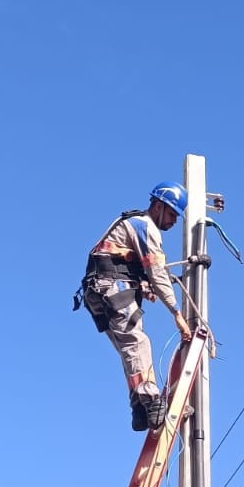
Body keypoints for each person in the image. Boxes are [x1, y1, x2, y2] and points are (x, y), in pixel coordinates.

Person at [78, 183, 192, 431]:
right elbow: (157, 272)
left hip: (99, 293)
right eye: (172, 214)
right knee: (138, 344)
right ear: (159, 206)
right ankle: (151, 403)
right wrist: (177, 314)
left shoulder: (133, 224)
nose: (174, 221)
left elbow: (131, 266)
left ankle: (139, 409)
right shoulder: (145, 226)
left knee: (129, 349)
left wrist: (143, 285)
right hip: (110, 289)